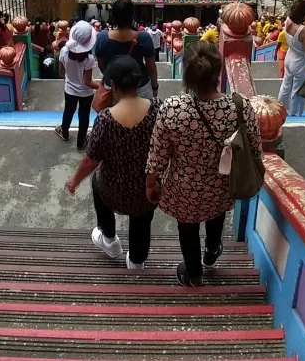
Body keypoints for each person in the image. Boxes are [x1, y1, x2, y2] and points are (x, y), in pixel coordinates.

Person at [146, 40, 263, 287]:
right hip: (222, 184)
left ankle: (194, 274)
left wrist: (151, 183)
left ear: (187, 75)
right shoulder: (239, 106)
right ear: (217, 72)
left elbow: (158, 156)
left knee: (187, 228)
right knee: (216, 215)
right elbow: (256, 149)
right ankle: (211, 252)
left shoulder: (173, 108)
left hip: (184, 188)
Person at [65, 56, 158, 269]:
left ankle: (109, 239)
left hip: (112, 191)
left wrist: (74, 181)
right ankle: (136, 261)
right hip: (147, 189)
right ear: (138, 82)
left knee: (97, 182)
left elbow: (91, 160)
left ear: (113, 86)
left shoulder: (106, 119)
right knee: (142, 221)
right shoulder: (157, 110)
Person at [95, 0, 159, 100]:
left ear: (114, 15)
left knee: (113, 115)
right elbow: (151, 68)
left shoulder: (103, 37)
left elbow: (101, 65)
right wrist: (155, 86)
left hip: (113, 87)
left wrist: (113, 76)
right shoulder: (144, 37)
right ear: (132, 16)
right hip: (140, 87)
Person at [54, 21, 98, 148]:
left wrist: (70, 78)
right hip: (86, 93)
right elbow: (87, 81)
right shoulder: (89, 59)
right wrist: (101, 87)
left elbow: (62, 72)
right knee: (84, 116)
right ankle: (81, 141)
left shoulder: (63, 51)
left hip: (70, 90)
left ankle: (65, 132)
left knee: (68, 111)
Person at [277, 0, 305, 117]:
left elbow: (297, 31)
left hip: (289, 56)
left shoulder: (288, 20)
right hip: (300, 61)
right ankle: (295, 114)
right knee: (297, 90)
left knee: (285, 86)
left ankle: (279, 108)